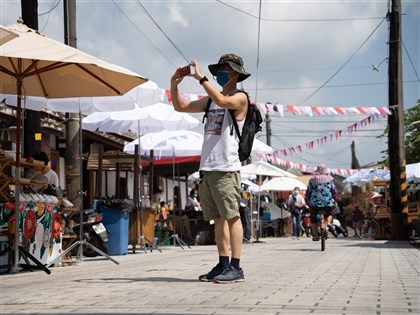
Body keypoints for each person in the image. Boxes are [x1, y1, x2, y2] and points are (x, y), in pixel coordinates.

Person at [170, 53, 250, 283]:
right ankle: (223, 263)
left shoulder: (240, 97)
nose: (222, 73)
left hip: (226, 166)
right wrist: (174, 84)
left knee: (232, 216)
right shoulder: (210, 100)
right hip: (208, 167)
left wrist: (201, 78)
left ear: (236, 73)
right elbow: (180, 107)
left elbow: (225, 102)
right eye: (220, 69)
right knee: (217, 218)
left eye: (227, 69)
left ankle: (236, 267)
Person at [305, 164, 341, 241]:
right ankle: (328, 223)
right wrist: (337, 198)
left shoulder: (312, 180)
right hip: (327, 202)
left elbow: (308, 192)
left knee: (313, 219)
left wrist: (308, 200)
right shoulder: (329, 180)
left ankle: (316, 235)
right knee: (330, 213)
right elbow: (334, 191)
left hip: (315, 203)